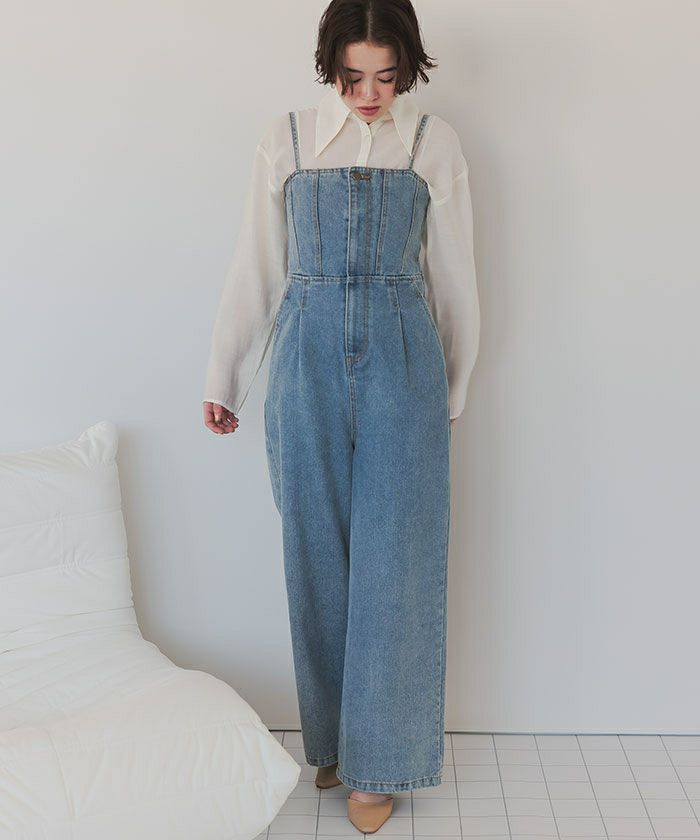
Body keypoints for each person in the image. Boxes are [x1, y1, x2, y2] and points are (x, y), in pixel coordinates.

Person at [202, 0, 479, 832]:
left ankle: (377, 764)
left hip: (403, 361)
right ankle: (334, 742)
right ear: (330, 67)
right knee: (314, 549)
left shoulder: (432, 143)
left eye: (386, 77)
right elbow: (257, 264)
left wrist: (451, 390)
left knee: (398, 559)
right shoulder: (285, 140)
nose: (369, 95)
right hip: (305, 356)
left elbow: (456, 275)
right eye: (354, 77)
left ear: (408, 69)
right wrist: (225, 376)